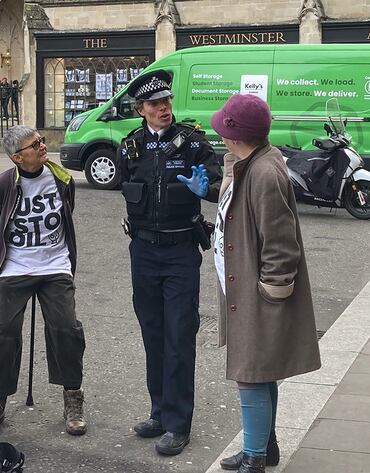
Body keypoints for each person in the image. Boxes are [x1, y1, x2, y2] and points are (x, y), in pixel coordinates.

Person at [209, 94, 321, 473]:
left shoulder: (263, 173)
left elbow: (280, 242)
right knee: (260, 370)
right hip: (242, 286)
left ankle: (255, 457)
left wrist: (271, 288)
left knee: (250, 373)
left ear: (235, 134)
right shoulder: (248, 163)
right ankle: (263, 446)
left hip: (256, 292)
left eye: (224, 128)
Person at [117, 69, 221, 456]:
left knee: (179, 337)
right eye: (155, 104)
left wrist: (204, 189)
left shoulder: (193, 143)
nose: (164, 108)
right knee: (153, 333)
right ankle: (160, 411)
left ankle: (178, 424)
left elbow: (216, 185)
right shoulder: (130, 147)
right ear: (141, 109)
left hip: (180, 251)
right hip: (143, 250)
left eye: (167, 102)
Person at [0, 125, 88, 436]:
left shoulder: (60, 178)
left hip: (55, 265)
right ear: (17, 157)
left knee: (66, 328)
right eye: (34, 145)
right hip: (16, 268)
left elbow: (68, 212)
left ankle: (72, 397)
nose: (43, 146)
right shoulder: (1, 185)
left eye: (42, 141)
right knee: (6, 333)